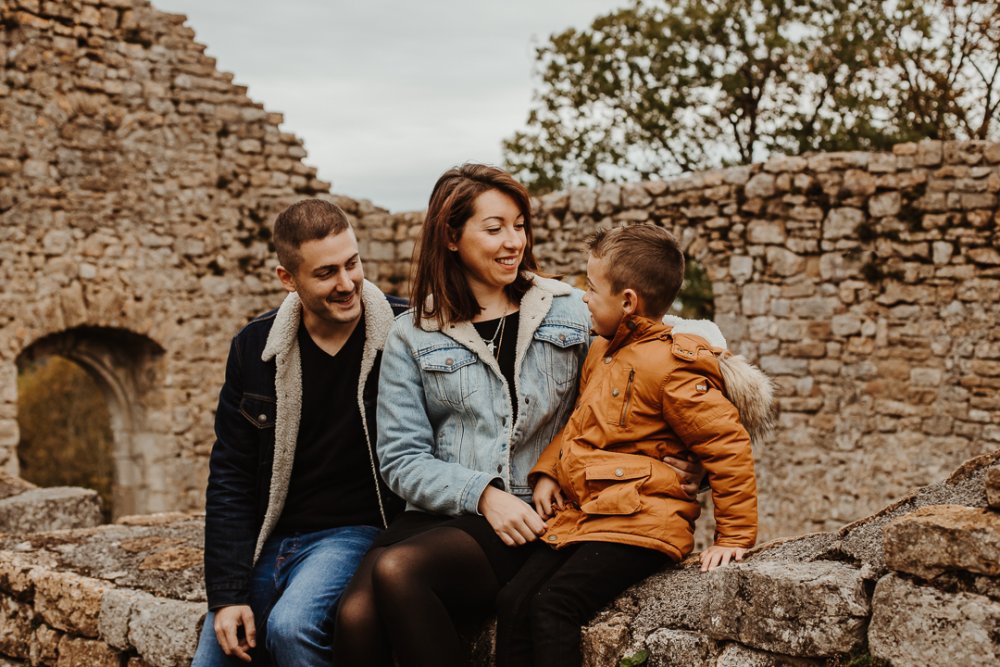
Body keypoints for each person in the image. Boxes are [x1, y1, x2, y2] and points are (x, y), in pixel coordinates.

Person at [333, 164, 705, 666]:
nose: (513, 241)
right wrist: (482, 494)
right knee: (354, 617)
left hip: (541, 515)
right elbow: (400, 460)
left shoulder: (571, 308)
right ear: (450, 236)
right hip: (448, 512)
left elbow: (682, 350)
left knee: (400, 572)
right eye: (494, 228)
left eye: (519, 225)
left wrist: (688, 459)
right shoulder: (411, 334)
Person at [494, 224, 774, 666]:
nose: (583, 296)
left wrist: (733, 535)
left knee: (553, 605)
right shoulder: (601, 352)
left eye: (591, 287)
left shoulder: (672, 367)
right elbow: (578, 424)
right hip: (590, 515)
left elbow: (727, 445)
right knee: (513, 601)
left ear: (627, 301)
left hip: (643, 523)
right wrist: (549, 470)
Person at [193, 199, 406, 666]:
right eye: (326, 273)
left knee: (291, 627)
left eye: (353, 264)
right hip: (275, 540)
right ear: (287, 279)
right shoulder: (255, 348)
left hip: (357, 532)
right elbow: (229, 475)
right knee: (217, 654)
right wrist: (226, 596)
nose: (348, 283)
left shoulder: (406, 332)